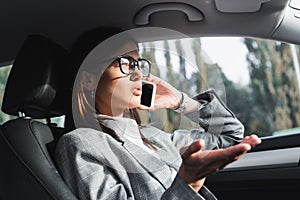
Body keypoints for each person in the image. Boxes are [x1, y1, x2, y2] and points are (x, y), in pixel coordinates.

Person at [55, 27, 261, 200]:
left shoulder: (157, 138)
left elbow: (231, 137)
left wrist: (180, 101)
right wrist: (187, 182)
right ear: (89, 80)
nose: (137, 74)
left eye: (138, 63)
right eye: (125, 63)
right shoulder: (81, 143)